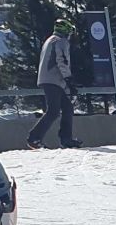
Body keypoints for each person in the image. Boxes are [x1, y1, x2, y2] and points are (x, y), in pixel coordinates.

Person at [28, 18, 81, 149]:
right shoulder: (61, 41)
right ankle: (34, 138)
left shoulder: (50, 40)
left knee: (67, 108)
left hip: (49, 79)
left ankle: (66, 138)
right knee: (53, 111)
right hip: (53, 80)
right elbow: (62, 60)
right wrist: (69, 79)